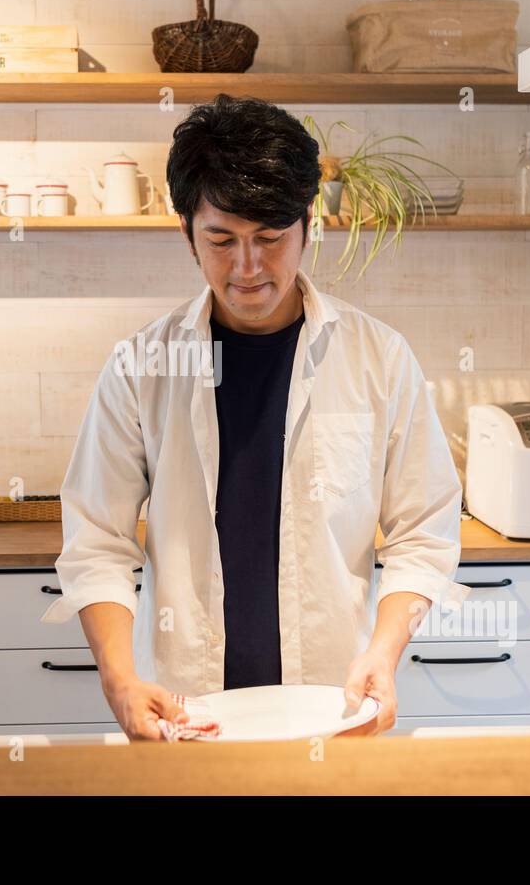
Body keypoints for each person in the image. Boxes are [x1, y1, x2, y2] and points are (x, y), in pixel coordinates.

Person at [40, 93, 467, 739]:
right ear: (187, 236)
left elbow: (423, 531)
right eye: (221, 239)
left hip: (335, 707)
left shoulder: (379, 359)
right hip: (187, 715)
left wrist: (383, 652)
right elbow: (97, 540)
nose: (247, 268)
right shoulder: (141, 368)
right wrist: (120, 680)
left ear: (307, 228)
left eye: (269, 239)